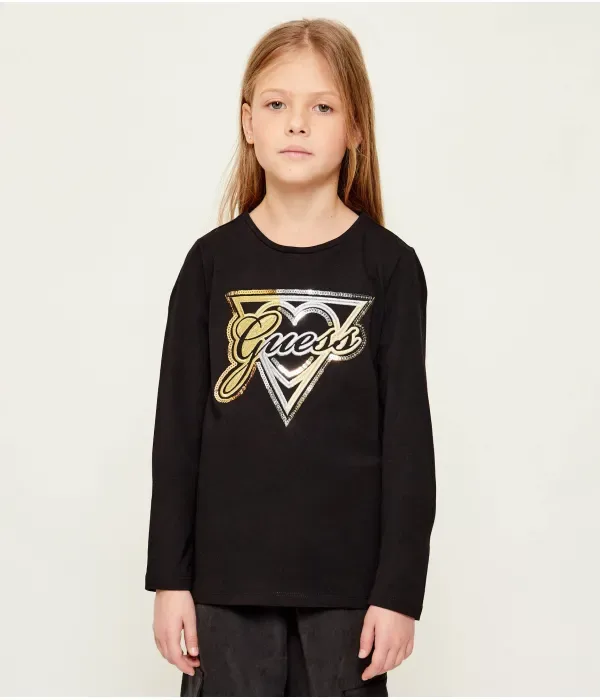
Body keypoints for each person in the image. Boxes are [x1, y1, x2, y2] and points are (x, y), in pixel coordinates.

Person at [145, 17, 437, 697]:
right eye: (277, 104)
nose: (297, 123)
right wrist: (170, 579)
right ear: (248, 121)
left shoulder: (389, 268)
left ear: (356, 127)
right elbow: (176, 433)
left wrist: (399, 591)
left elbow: (408, 442)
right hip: (223, 587)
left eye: (323, 107)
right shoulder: (210, 264)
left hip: (348, 593)